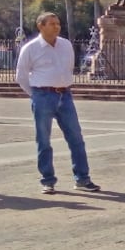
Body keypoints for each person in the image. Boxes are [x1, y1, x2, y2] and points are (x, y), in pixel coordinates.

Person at [15, 13, 100, 194]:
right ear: (41, 26)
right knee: (44, 140)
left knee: (76, 138)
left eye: (58, 23)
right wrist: (36, 95)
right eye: (52, 24)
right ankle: (47, 180)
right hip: (43, 95)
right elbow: (21, 76)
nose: (56, 27)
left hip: (65, 95)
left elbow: (68, 68)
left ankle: (82, 178)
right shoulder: (30, 48)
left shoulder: (66, 45)